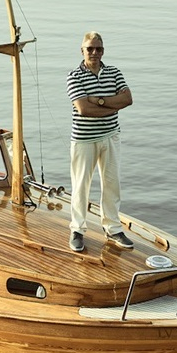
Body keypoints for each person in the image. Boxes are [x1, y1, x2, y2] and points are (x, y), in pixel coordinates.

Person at [66, 32, 134, 253]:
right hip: (84, 139)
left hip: (110, 136)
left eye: (98, 49)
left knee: (112, 184)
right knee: (80, 186)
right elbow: (83, 109)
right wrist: (112, 107)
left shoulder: (114, 72)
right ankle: (77, 229)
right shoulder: (74, 76)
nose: (94, 53)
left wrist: (100, 100)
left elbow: (127, 99)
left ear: (103, 51)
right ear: (82, 51)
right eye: (90, 49)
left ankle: (113, 228)